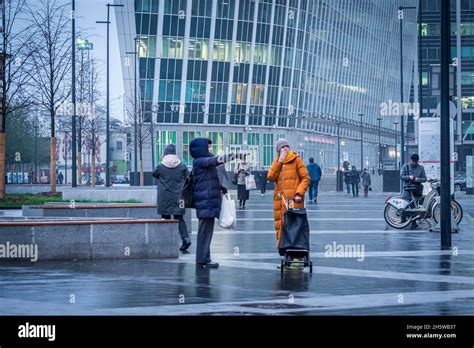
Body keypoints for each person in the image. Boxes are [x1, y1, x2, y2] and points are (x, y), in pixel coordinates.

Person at [190, 138, 243, 268]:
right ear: (201, 149)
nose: (210, 149)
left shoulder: (204, 162)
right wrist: (235, 155)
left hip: (208, 201)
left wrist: (221, 188)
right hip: (205, 202)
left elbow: (209, 178)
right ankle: (202, 260)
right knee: (204, 232)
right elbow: (216, 159)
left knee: (206, 232)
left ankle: (205, 259)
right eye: (207, 147)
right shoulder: (200, 161)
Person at [267, 139, 310, 261]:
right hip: (280, 201)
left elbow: (305, 178)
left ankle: (297, 256)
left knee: (295, 227)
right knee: (281, 227)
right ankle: (286, 254)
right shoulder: (277, 161)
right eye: (282, 147)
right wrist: (279, 161)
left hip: (294, 201)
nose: (285, 148)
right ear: (278, 150)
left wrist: (299, 193)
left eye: (287, 146)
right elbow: (270, 177)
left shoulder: (296, 159)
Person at [152, 144, 191, 252]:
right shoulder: (182, 165)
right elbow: (187, 177)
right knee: (180, 218)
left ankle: (167, 242)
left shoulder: (160, 166)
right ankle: (185, 238)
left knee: (165, 218)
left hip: (165, 197)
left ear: (165, 153)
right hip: (179, 197)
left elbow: (154, 174)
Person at [400, 153, 427, 229]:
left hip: (416, 190)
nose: (414, 163)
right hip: (407, 189)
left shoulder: (421, 168)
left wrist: (418, 179)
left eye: (416, 162)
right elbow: (401, 177)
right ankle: (403, 220)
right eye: (413, 161)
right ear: (410, 160)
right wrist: (409, 177)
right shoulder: (405, 166)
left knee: (414, 207)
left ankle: (414, 223)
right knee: (405, 205)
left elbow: (425, 179)